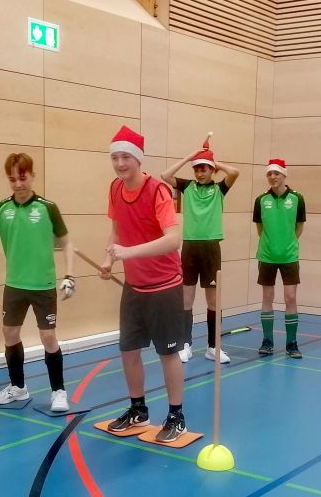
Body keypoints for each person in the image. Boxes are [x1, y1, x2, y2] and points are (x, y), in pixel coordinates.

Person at [99, 125, 187, 442]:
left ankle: (176, 415)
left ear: (138, 158)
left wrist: (129, 253)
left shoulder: (158, 191)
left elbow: (173, 240)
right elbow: (116, 232)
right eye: (115, 157)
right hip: (134, 287)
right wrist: (109, 259)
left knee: (168, 353)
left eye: (126, 157)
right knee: (128, 350)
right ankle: (138, 410)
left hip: (164, 286)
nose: (120, 163)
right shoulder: (115, 188)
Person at [0, 153, 76, 411]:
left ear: (32, 176)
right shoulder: (0, 209)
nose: (18, 184)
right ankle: (18, 388)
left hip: (43, 285)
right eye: (12, 179)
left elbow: (66, 243)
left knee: (48, 336)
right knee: (9, 333)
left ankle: (58, 392)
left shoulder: (47, 208)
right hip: (14, 285)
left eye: (22, 178)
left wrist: (69, 276)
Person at [161, 146, 239, 364]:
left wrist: (213, 160)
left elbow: (234, 172)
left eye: (204, 169)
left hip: (211, 248)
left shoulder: (219, 189)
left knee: (213, 301)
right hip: (190, 248)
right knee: (186, 299)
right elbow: (165, 175)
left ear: (212, 170)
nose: (199, 173)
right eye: (196, 169)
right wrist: (189, 157)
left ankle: (213, 347)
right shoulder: (187, 187)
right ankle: (185, 345)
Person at [253, 159, 306, 358]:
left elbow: (299, 226)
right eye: (269, 174)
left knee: (290, 298)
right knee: (267, 297)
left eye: (276, 173)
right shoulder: (261, 200)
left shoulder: (297, 198)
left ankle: (292, 343)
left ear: (284, 175)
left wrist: (287, 243)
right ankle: (267, 341)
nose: (272, 177)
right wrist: (271, 244)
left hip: (289, 256)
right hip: (267, 256)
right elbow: (260, 228)